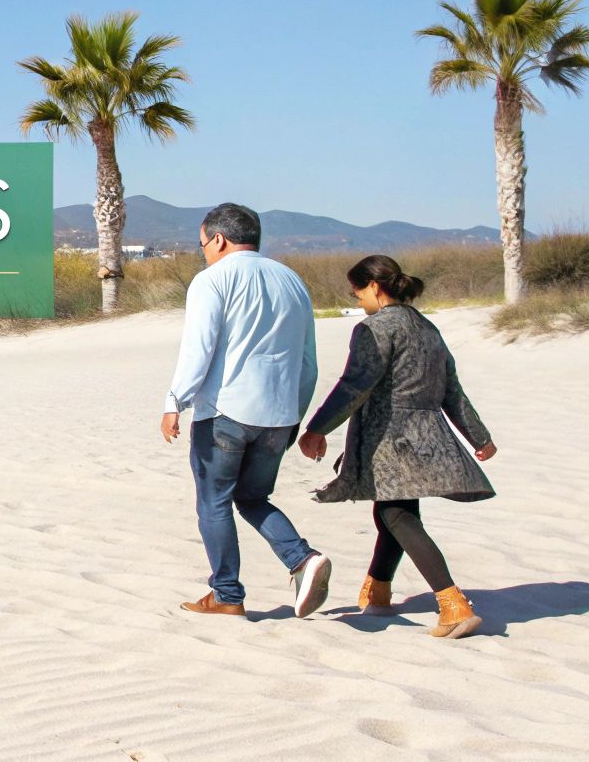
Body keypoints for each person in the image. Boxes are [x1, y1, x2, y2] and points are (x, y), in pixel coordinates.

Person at [297, 255, 497, 640]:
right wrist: (479, 437)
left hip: (390, 436)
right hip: (428, 433)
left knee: (396, 516)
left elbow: (356, 385)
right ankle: (378, 591)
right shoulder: (427, 327)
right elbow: (452, 390)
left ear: (374, 287)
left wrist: (317, 428)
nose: (358, 301)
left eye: (357, 294)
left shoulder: (375, 328)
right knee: (395, 512)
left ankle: (453, 603)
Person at [162, 203, 331, 619]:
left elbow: (198, 348)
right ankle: (302, 559)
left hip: (226, 412)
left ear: (218, 239)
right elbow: (308, 362)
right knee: (253, 496)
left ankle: (226, 594)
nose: (203, 251)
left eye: (202, 244)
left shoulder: (211, 280)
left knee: (214, 501)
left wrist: (174, 402)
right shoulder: (292, 281)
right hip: (280, 415)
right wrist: (296, 415)